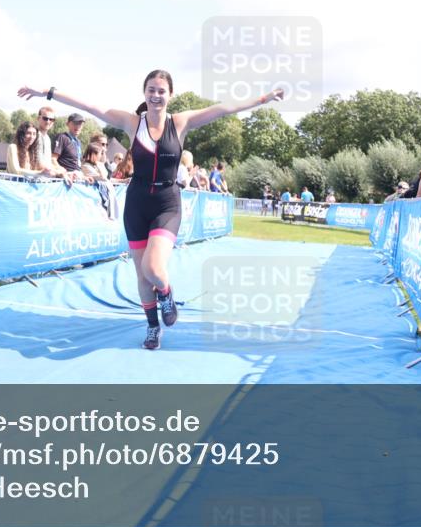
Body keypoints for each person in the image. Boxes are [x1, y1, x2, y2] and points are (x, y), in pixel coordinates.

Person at [19, 70, 284, 350]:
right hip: (137, 202)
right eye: (151, 90)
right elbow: (89, 106)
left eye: (161, 91)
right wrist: (44, 93)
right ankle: (153, 327)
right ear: (144, 93)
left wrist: (263, 98)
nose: (156, 96)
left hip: (167, 202)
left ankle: (166, 294)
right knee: (142, 275)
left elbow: (222, 109)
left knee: (153, 268)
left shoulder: (181, 122)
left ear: (170, 95)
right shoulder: (132, 123)